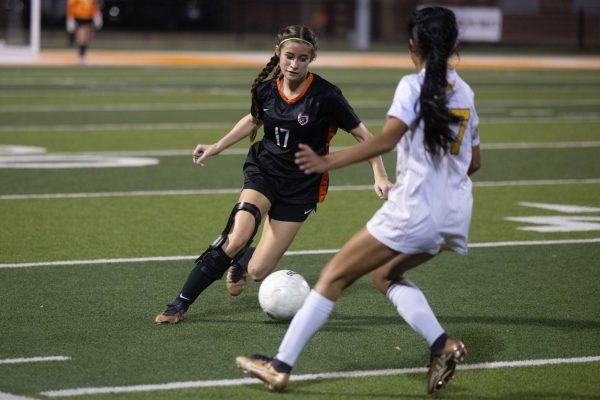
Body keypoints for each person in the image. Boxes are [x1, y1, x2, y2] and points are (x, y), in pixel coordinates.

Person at [236, 6, 481, 395]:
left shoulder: (412, 85)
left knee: (333, 276)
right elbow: (474, 162)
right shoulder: (465, 92)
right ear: (453, 45)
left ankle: (279, 367)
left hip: (414, 209)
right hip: (455, 214)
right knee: (385, 276)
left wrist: (325, 160)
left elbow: (384, 140)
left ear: (412, 45)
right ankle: (443, 345)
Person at [155, 25, 392, 325]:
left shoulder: (327, 95)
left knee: (258, 271)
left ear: (312, 59)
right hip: (264, 171)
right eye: (290, 56)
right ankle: (180, 303)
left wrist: (379, 175)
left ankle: (242, 259)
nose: (294, 64)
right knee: (235, 235)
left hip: (302, 185)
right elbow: (254, 119)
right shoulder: (265, 89)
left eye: (303, 59)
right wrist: (217, 146)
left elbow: (366, 137)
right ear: (278, 52)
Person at [66, 0, 103, 65]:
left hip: (89, 16)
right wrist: (70, 18)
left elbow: (95, 4)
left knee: (87, 37)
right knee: (82, 35)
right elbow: (70, 5)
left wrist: (97, 15)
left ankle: (82, 53)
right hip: (79, 16)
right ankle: (81, 55)